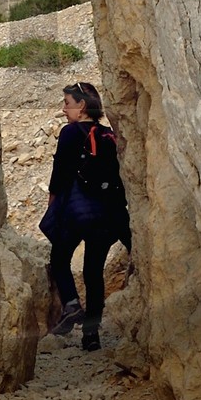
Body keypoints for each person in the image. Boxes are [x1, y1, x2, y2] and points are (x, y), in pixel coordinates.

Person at [40, 80, 130, 352]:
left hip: (78, 213)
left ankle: (71, 305)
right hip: (108, 215)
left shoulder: (70, 133)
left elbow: (60, 174)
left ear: (81, 105)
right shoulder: (109, 134)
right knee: (93, 272)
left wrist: (52, 203)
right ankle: (91, 335)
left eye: (67, 103)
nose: (64, 109)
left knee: (59, 258)